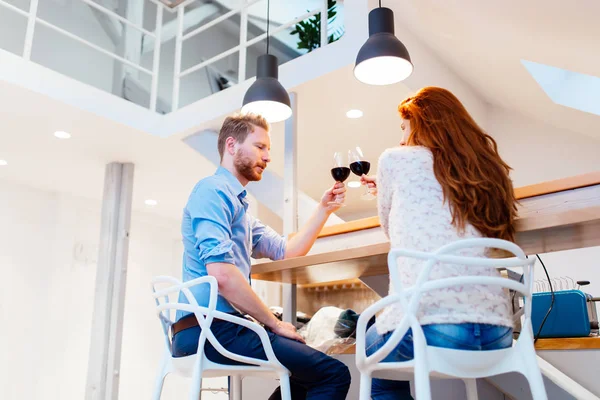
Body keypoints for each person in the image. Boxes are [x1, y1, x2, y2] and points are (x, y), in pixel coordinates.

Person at [171, 113, 351, 400]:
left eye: (268, 150)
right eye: (260, 147)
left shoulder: (240, 207)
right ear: (232, 145)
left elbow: (287, 250)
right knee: (334, 374)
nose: (267, 157)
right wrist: (275, 323)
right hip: (210, 331)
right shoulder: (212, 191)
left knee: (304, 376)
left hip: (220, 329)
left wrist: (323, 210)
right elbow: (222, 275)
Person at [360, 86, 518, 399]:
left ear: (423, 125)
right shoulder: (487, 172)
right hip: (498, 334)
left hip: (435, 330)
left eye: (405, 128)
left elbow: (392, 231)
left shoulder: (394, 159)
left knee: (371, 347)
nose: (403, 138)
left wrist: (393, 189)